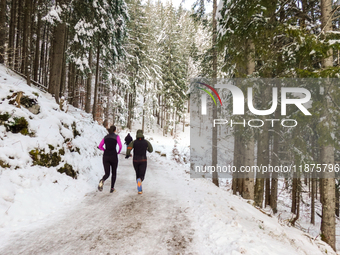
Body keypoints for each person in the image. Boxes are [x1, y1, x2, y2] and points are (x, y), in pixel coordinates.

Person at [125, 129, 153, 194]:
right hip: (143, 160)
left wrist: (128, 154)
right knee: (141, 174)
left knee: (137, 173)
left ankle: (139, 189)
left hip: (135, 160)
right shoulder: (146, 142)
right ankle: (140, 181)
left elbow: (129, 148)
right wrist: (146, 148)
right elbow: (151, 150)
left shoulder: (134, 142)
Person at [98, 125, 122, 193]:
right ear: (115, 130)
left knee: (107, 173)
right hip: (113, 156)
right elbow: (120, 146)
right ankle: (112, 188)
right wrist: (118, 152)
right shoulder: (116, 137)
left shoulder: (105, 137)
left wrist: (104, 149)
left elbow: (100, 146)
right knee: (114, 173)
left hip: (106, 156)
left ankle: (102, 180)